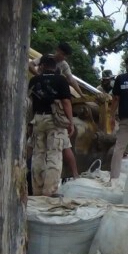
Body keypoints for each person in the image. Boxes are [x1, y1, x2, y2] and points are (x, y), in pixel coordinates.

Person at [28, 42, 81, 180]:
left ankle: (38, 183)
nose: (63, 58)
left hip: (45, 113)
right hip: (49, 112)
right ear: (57, 51)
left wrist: (81, 95)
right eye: (62, 54)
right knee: (55, 152)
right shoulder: (45, 59)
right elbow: (66, 101)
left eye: (65, 56)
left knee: (39, 150)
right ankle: (51, 188)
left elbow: (72, 80)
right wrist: (70, 122)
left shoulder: (63, 67)